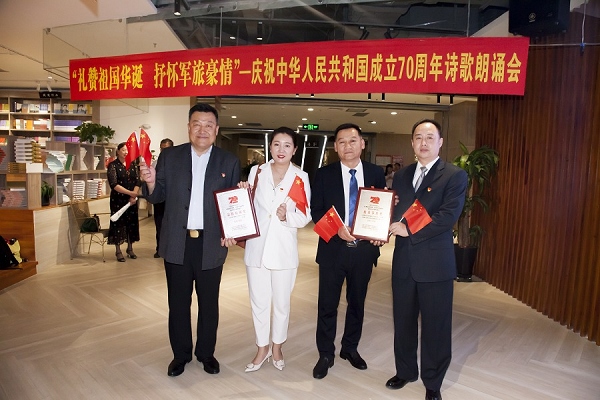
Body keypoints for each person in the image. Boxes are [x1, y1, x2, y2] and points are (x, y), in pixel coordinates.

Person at [139, 103, 240, 377]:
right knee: (178, 304)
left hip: (211, 244)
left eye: (208, 125)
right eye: (197, 124)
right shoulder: (170, 157)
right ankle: (180, 355)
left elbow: (232, 203)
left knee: (209, 304)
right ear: (188, 127)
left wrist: (233, 231)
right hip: (177, 242)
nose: (202, 130)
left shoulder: (228, 161)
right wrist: (151, 182)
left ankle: (206, 354)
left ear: (216, 130)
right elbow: (156, 196)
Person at [386, 119, 467, 400]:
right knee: (403, 321)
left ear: (440, 142)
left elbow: (447, 216)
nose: (424, 142)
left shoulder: (454, 175)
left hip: (435, 264)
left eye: (430, 137)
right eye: (418, 137)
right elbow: (396, 210)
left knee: (436, 326)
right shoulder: (402, 175)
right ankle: (405, 371)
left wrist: (408, 229)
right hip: (404, 261)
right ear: (412, 142)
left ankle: (433, 382)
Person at [310, 123, 386, 379]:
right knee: (327, 305)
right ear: (335, 147)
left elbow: (381, 208)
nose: (348, 146)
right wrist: (337, 230)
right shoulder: (324, 174)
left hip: (363, 252)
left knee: (357, 303)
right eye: (342, 142)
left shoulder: (375, 173)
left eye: (353, 140)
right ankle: (325, 353)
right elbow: (316, 211)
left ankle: (350, 348)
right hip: (333, 249)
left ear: (362, 143)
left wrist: (379, 233)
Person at [233, 127, 312, 373]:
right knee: (258, 302)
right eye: (277, 144)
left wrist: (287, 216)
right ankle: (262, 348)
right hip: (256, 248)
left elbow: (305, 215)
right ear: (270, 146)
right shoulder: (257, 171)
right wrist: (242, 192)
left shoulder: (300, 177)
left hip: (283, 250)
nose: (281, 150)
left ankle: (277, 347)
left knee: (281, 303)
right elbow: (248, 207)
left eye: (287, 145)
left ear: (294, 150)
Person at [107, 142, 140, 262]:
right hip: (118, 199)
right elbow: (113, 184)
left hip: (132, 200)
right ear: (118, 151)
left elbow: (137, 181)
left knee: (131, 222)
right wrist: (130, 193)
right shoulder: (113, 165)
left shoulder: (133, 165)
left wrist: (134, 194)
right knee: (118, 223)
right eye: (123, 150)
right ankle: (118, 251)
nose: (126, 152)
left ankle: (130, 248)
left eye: (127, 150)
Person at [152, 138, 174, 258]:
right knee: (159, 223)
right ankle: (159, 248)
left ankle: (171, 248)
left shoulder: (178, 163)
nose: (163, 151)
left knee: (172, 224)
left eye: (166, 149)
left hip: (172, 199)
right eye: (162, 149)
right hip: (160, 199)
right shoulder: (155, 163)